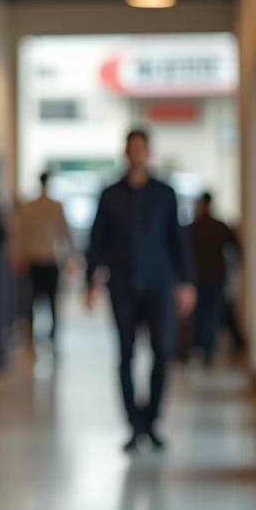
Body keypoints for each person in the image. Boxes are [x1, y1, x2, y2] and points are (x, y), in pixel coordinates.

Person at [85, 129, 195, 452]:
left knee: (162, 350)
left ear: (149, 152)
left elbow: (177, 239)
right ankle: (134, 425)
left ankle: (152, 420)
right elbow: (97, 240)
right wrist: (91, 281)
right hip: (122, 285)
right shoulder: (110, 195)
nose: (136, 154)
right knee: (125, 354)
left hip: (159, 284)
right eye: (131, 148)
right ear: (125, 153)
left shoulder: (164, 193)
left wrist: (186, 282)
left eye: (141, 148)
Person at [11, 171, 76, 354]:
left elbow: (20, 233)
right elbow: (65, 232)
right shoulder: (55, 206)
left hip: (34, 259)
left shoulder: (29, 206)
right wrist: (71, 256)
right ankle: (52, 337)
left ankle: (31, 338)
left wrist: (17, 254)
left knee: (32, 300)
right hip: (50, 258)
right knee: (52, 301)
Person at [186, 192, 241, 366]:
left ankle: (201, 348)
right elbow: (236, 249)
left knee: (203, 315)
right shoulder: (218, 227)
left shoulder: (193, 228)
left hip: (200, 278)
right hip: (213, 277)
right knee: (209, 315)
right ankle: (205, 350)